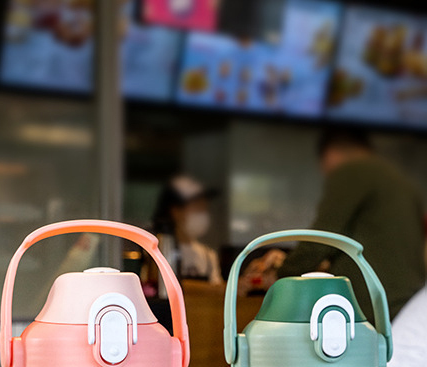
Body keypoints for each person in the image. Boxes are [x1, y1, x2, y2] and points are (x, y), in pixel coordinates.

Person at [241, 128, 426, 320]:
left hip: (373, 308)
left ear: (330, 153)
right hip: (410, 306)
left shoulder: (353, 171)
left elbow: (322, 239)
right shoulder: (403, 183)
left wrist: (283, 274)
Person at [141, 175, 222, 328]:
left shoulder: (208, 255)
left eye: (204, 209)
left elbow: (217, 294)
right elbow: (161, 289)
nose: (203, 214)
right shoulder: (156, 250)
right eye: (197, 208)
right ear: (175, 211)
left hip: (202, 328)